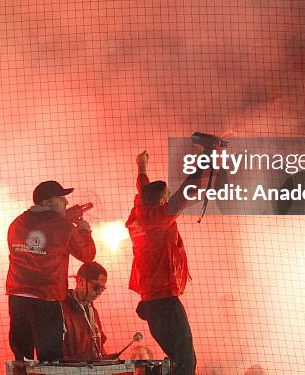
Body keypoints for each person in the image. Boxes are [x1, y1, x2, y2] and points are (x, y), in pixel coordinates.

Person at [126, 150, 210, 375]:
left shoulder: (140, 212)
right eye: (167, 196)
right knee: (185, 362)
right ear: (162, 202)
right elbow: (188, 191)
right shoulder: (159, 218)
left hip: (153, 300)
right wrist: (207, 154)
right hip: (163, 300)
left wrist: (141, 167)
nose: (171, 197)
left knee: (178, 360)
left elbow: (143, 190)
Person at [6, 180, 96, 362]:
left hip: (17, 298)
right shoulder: (64, 227)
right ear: (46, 202)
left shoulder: (17, 223)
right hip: (46, 299)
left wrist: (64, 218)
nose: (66, 202)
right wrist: (85, 231)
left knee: (22, 359)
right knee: (50, 360)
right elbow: (87, 255)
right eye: (61, 198)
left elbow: (43, 229)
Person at [61, 262, 109, 361]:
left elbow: (99, 348)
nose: (99, 293)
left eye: (102, 288)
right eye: (96, 287)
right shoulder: (62, 309)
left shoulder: (93, 312)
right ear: (81, 281)